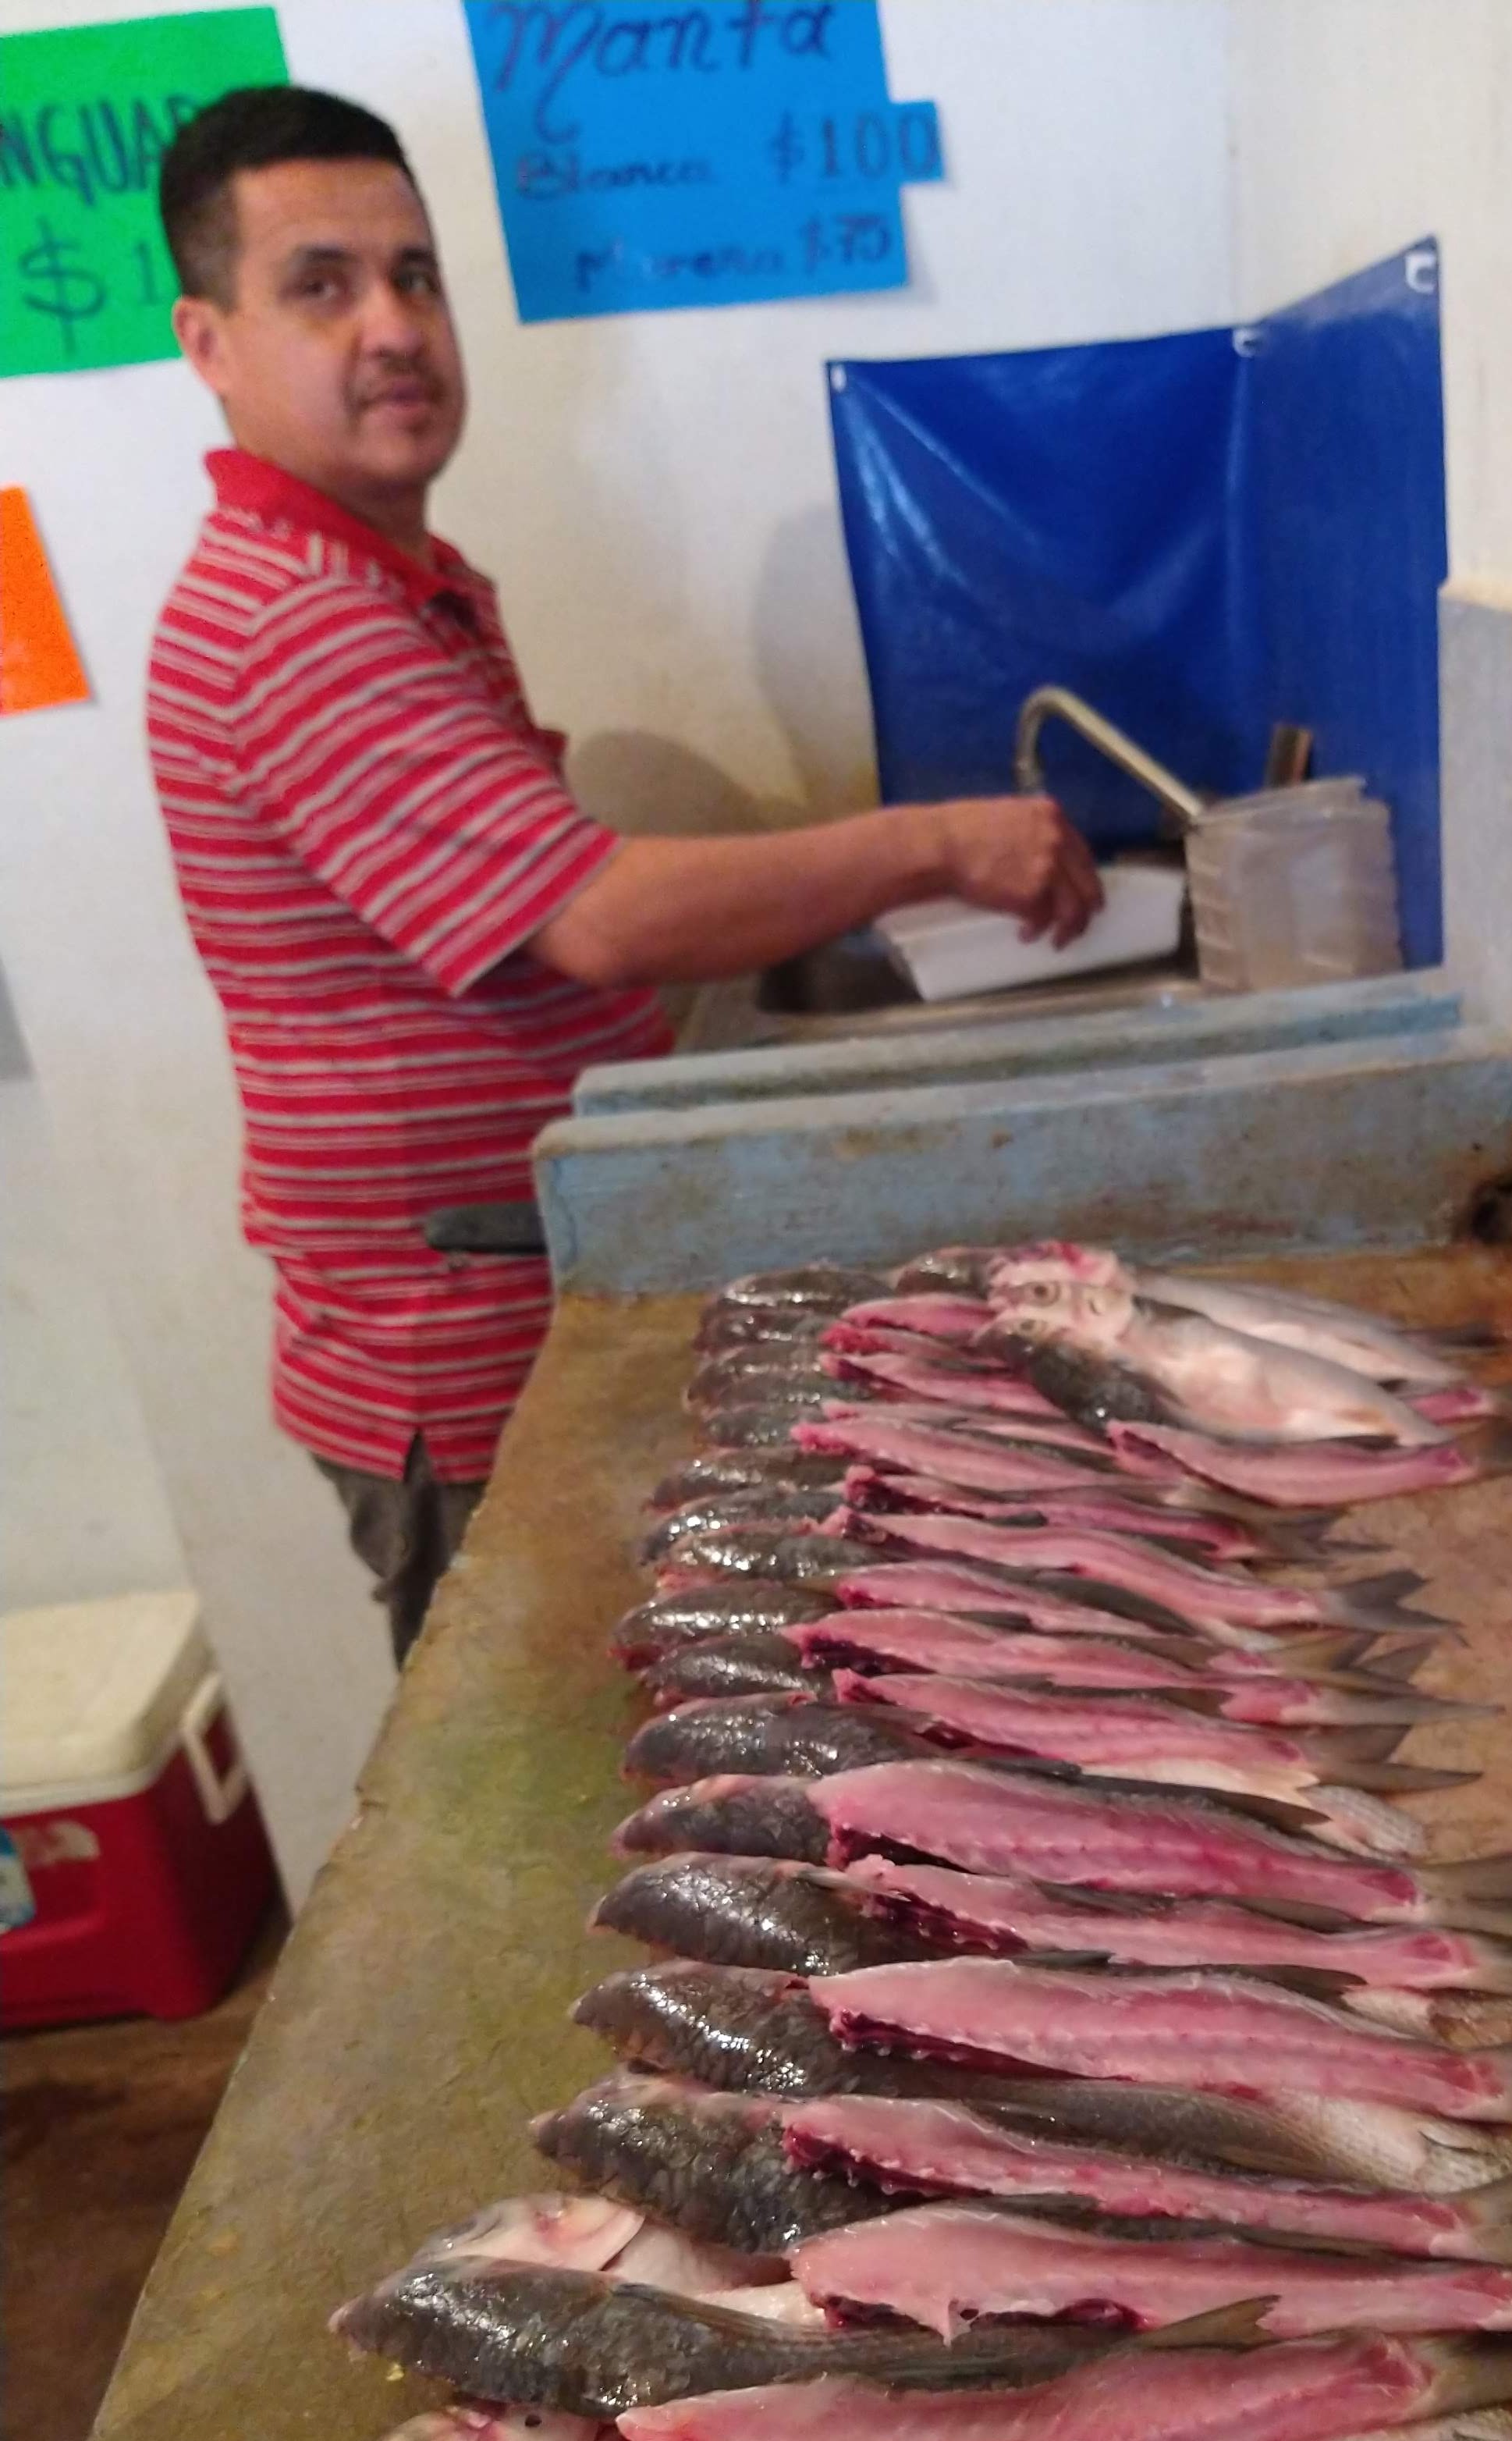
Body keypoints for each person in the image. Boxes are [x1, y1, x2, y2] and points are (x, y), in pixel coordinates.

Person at [147, 85, 1099, 1663]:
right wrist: (935, 841)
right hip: (453, 1363)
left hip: (504, 1300)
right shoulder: (296, 617)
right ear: (211, 340)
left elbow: (524, 902)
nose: (391, 325)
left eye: (418, 274)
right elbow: (596, 918)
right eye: (321, 284)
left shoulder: (395, 583)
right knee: (573, 1781)